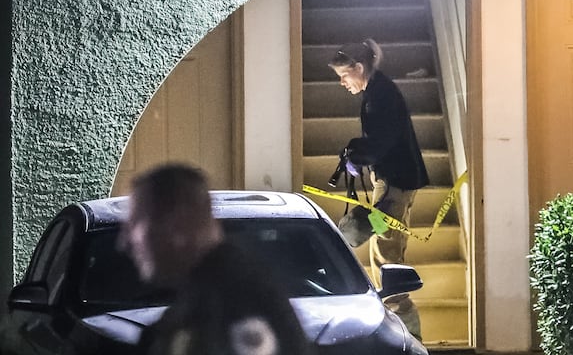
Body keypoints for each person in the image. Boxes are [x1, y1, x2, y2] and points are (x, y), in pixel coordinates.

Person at [117, 163, 313, 355]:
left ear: (178, 222)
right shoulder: (210, 296)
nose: (124, 243)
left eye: (135, 223)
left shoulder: (234, 303)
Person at [328, 38, 429, 340]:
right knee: (385, 248)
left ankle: (409, 339)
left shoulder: (379, 97)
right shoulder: (379, 91)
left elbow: (382, 141)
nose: (342, 83)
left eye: (344, 75)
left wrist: (358, 157)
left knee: (387, 260)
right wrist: (357, 153)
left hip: (393, 186)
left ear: (359, 68)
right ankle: (402, 333)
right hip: (396, 182)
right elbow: (383, 138)